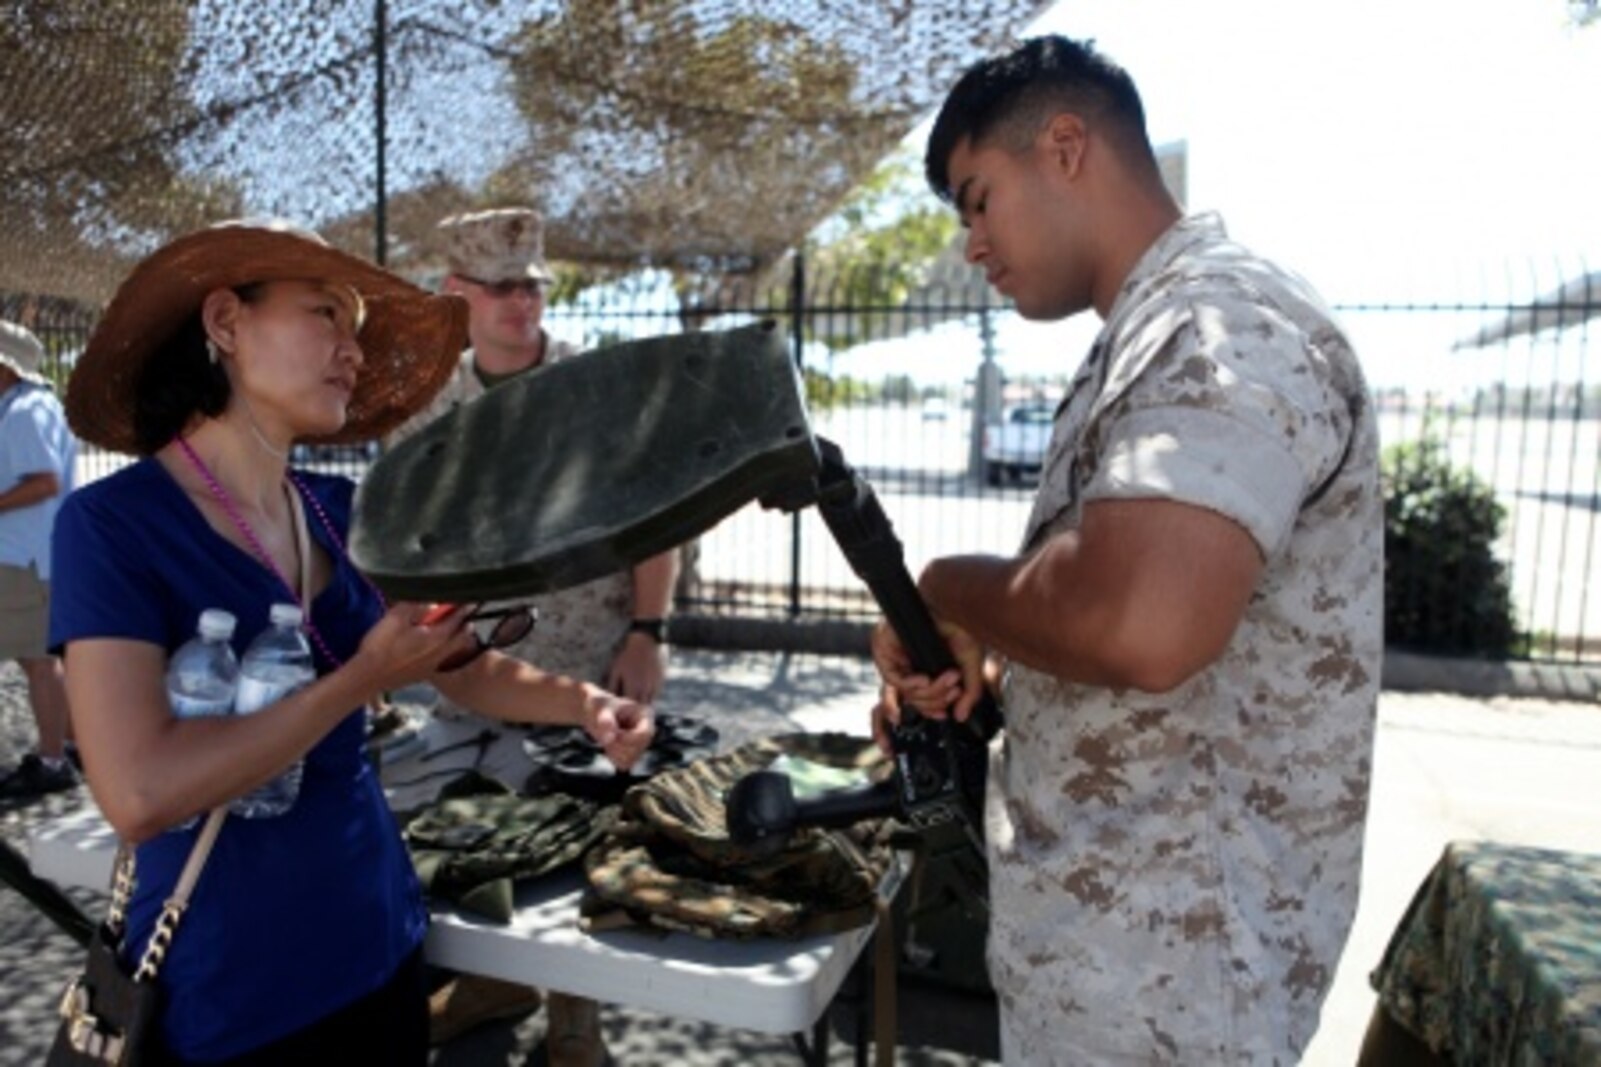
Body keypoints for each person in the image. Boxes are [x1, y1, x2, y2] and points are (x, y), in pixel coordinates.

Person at [869, 36, 1382, 1064]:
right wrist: (1001, 660)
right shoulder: (1147, 337)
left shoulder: (1215, 317)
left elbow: (1139, 624)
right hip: (1115, 959)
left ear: (1064, 146)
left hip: (1176, 985)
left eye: (976, 198)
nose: (971, 242)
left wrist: (945, 588)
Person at [48, 218, 654, 1065]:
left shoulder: (340, 509)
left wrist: (586, 702)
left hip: (381, 944)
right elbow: (141, 792)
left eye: (356, 328)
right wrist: (359, 678)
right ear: (225, 323)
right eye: (325, 314)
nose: (353, 350)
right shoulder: (113, 525)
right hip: (233, 991)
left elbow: (462, 667)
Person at [386, 208, 680, 1057]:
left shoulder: (595, 391)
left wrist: (647, 629)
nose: (523, 302)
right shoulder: (429, 404)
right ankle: (493, 977)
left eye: (534, 286)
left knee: (590, 834)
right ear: (455, 295)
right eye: (502, 287)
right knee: (485, 835)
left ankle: (574, 1022)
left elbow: (660, 517)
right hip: (477, 660)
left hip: (594, 649)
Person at [0, 320, 78, 800]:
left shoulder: (22, 413)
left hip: (24, 555)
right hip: (34, 554)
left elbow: (43, 481)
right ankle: (66, 745)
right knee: (40, 660)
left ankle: (53, 761)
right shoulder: (31, 406)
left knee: (38, 660)